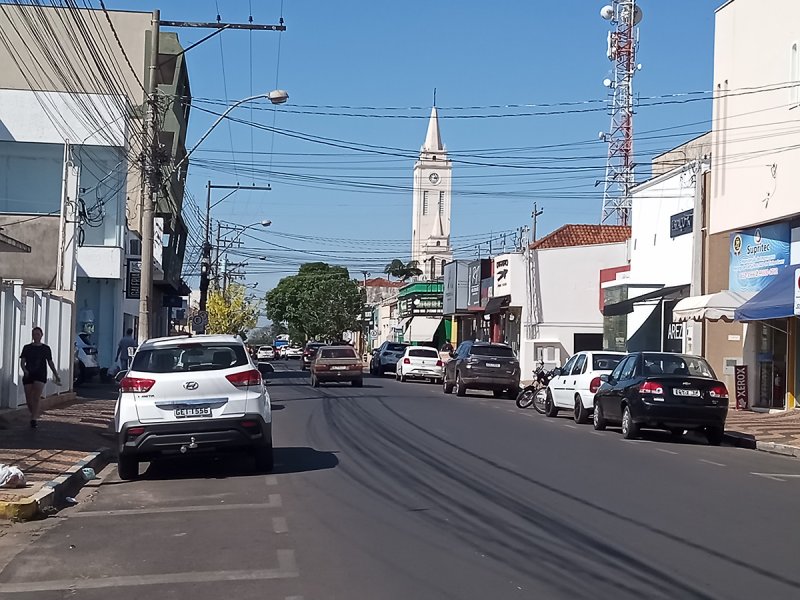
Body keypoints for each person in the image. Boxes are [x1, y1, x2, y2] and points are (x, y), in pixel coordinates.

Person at [19, 326, 61, 429]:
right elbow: (22, 361)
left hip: (40, 374)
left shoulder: (45, 348)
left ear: (41, 335)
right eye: (34, 334)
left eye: (38, 334)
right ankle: (34, 414)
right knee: (28, 398)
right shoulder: (27, 348)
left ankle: (33, 419)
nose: (36, 336)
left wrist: (56, 374)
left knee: (36, 397)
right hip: (29, 374)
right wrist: (24, 370)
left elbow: (50, 362)